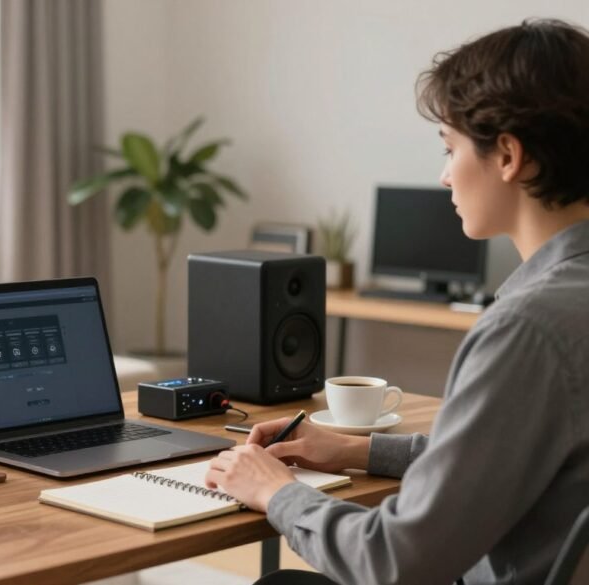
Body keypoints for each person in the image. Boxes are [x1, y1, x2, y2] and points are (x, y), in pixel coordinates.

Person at [205, 19, 589, 585]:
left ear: (508, 156)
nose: (443, 176)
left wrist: (276, 491)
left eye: (450, 147)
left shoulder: (528, 328)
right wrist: (353, 450)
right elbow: (500, 458)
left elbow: (396, 561)